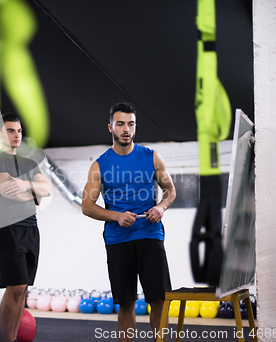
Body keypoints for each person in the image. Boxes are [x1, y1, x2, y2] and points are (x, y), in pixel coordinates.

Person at [82, 102, 176, 342]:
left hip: (150, 235)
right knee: (126, 303)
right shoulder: (99, 165)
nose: (126, 129)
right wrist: (116, 216)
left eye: (131, 124)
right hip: (118, 239)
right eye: (121, 124)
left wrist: (161, 207)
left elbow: (170, 191)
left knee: (158, 300)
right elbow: (87, 206)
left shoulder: (152, 157)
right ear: (110, 127)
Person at [0, 112, 51, 342]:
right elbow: (9, 192)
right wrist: (33, 192)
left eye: (19, 130)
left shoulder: (29, 163)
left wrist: (23, 184)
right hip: (6, 228)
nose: (16, 135)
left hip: (31, 228)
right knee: (16, 286)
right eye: (10, 130)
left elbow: (47, 190)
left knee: (23, 289)